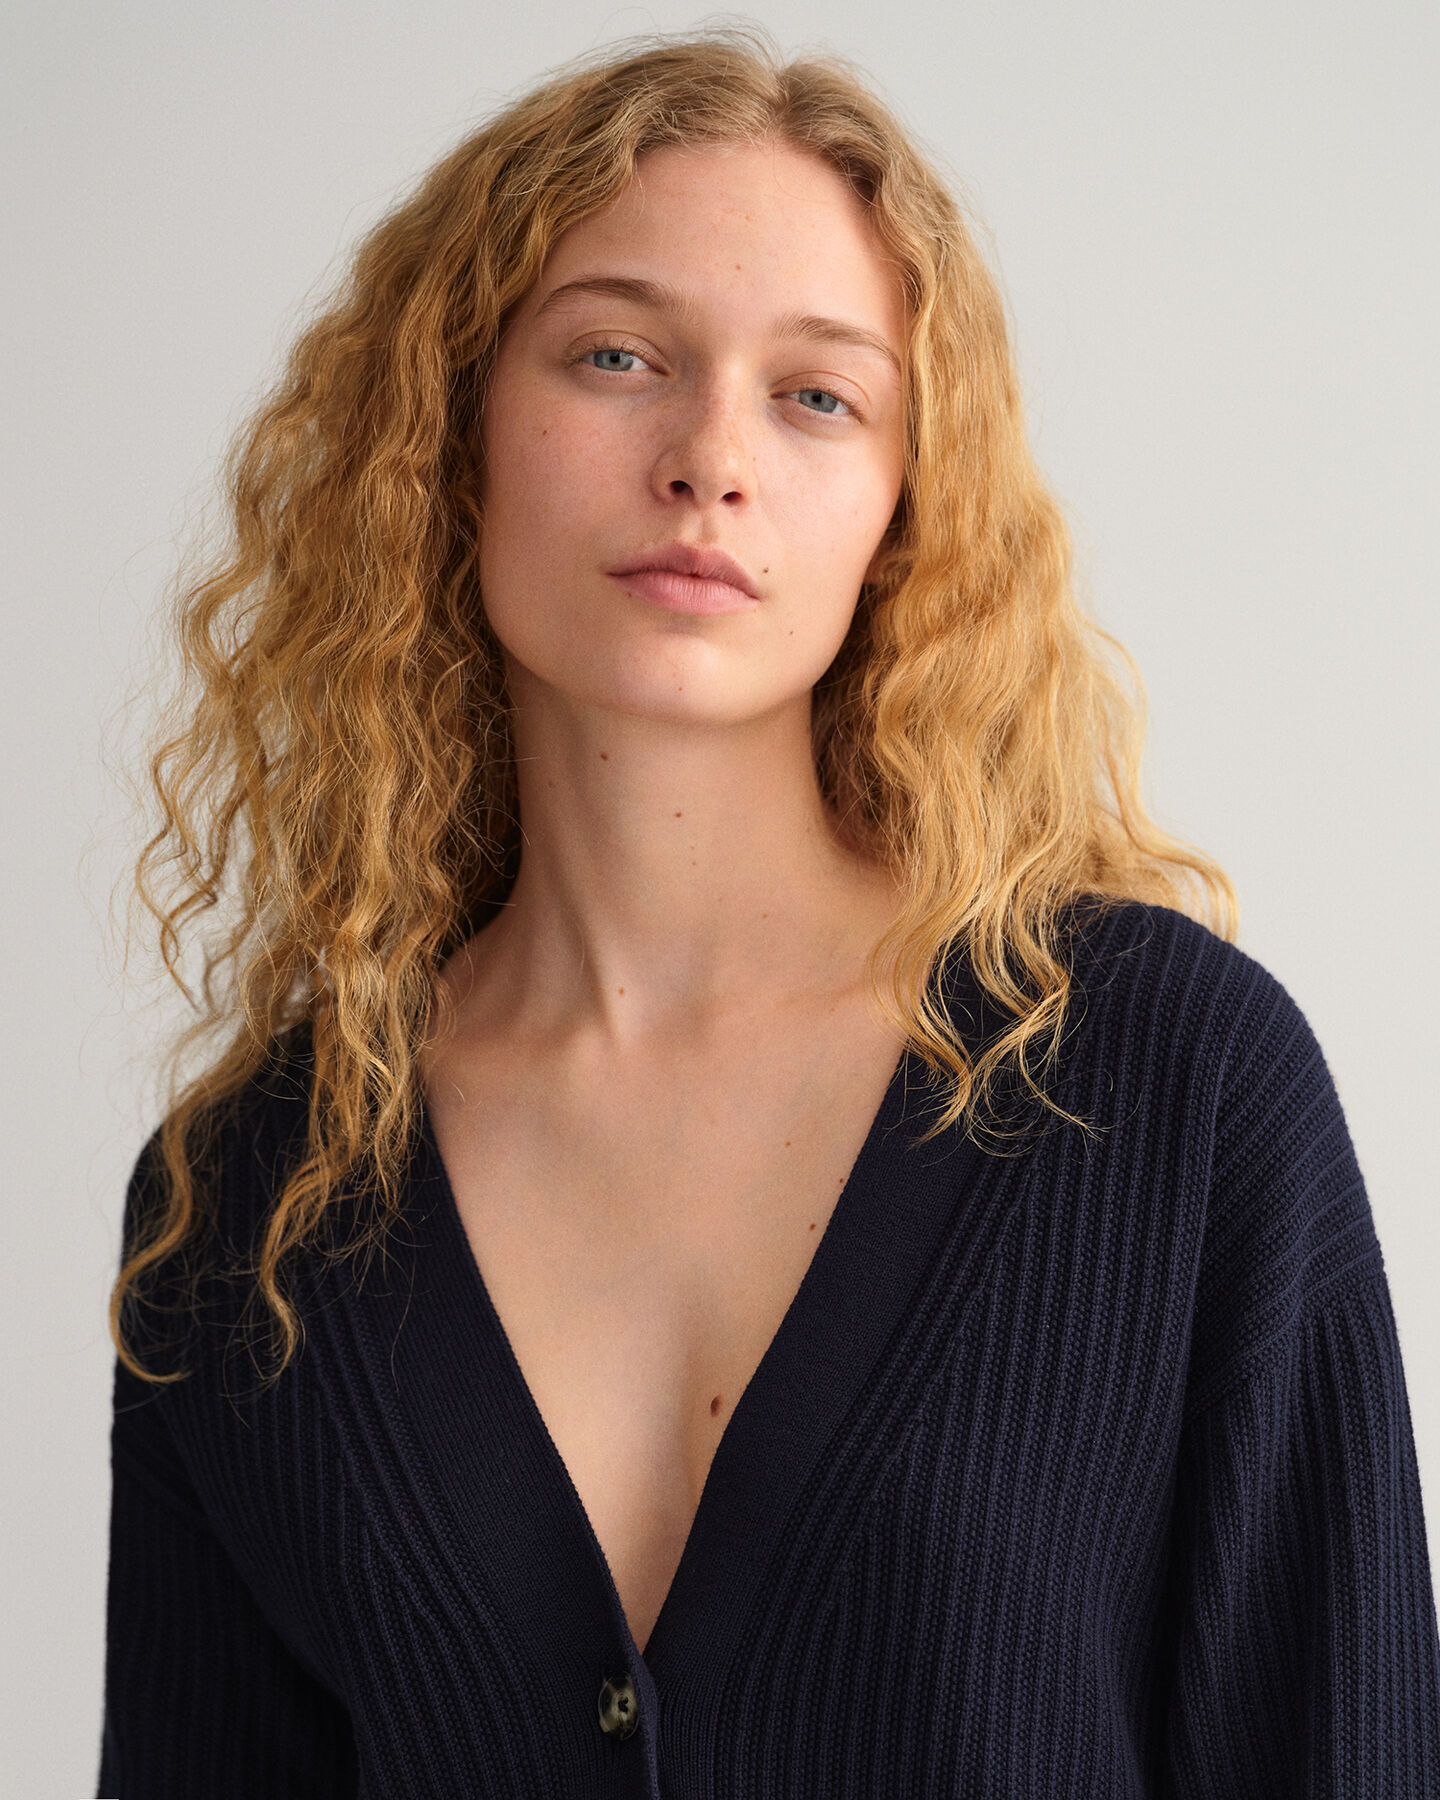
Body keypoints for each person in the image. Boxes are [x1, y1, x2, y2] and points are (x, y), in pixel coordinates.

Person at [98, 25, 1440, 1798]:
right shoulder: (256, 1206)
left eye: (818, 396)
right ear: (450, 434)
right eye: (617, 355)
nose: (709, 459)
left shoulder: (1165, 1085)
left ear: (901, 507)